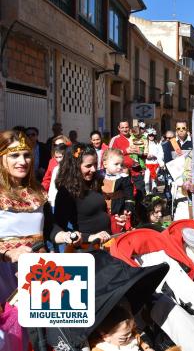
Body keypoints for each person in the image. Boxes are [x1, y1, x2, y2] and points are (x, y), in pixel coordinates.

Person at [0, 131, 47, 351]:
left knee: (38, 337)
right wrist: (9, 254)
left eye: (27, 155)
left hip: (37, 272)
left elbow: (47, 229)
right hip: (4, 274)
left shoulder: (37, 191)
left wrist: (61, 237)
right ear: (2, 157)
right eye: (14, 155)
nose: (22, 161)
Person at [52, 144, 112, 247]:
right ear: (74, 167)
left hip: (108, 243)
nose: (93, 169)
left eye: (95, 164)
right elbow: (59, 228)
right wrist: (90, 237)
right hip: (86, 248)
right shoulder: (66, 192)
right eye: (88, 166)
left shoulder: (96, 182)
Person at [90, 304, 155, 351]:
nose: (130, 335)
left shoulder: (132, 335)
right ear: (106, 337)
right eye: (124, 336)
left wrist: (146, 348)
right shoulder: (101, 348)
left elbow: (140, 342)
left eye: (130, 330)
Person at [101, 149, 134, 234]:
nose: (119, 167)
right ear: (105, 164)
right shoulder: (99, 177)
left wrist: (128, 208)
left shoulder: (124, 178)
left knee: (116, 231)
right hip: (102, 211)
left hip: (117, 211)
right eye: (116, 164)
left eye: (121, 165)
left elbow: (129, 195)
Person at [145, 128, 164, 193]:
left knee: (154, 179)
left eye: (152, 135)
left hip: (155, 163)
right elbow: (142, 152)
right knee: (146, 179)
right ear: (147, 135)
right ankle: (147, 193)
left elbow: (161, 153)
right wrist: (146, 155)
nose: (151, 136)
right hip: (147, 164)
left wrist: (160, 162)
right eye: (150, 135)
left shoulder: (157, 143)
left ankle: (154, 193)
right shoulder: (145, 143)